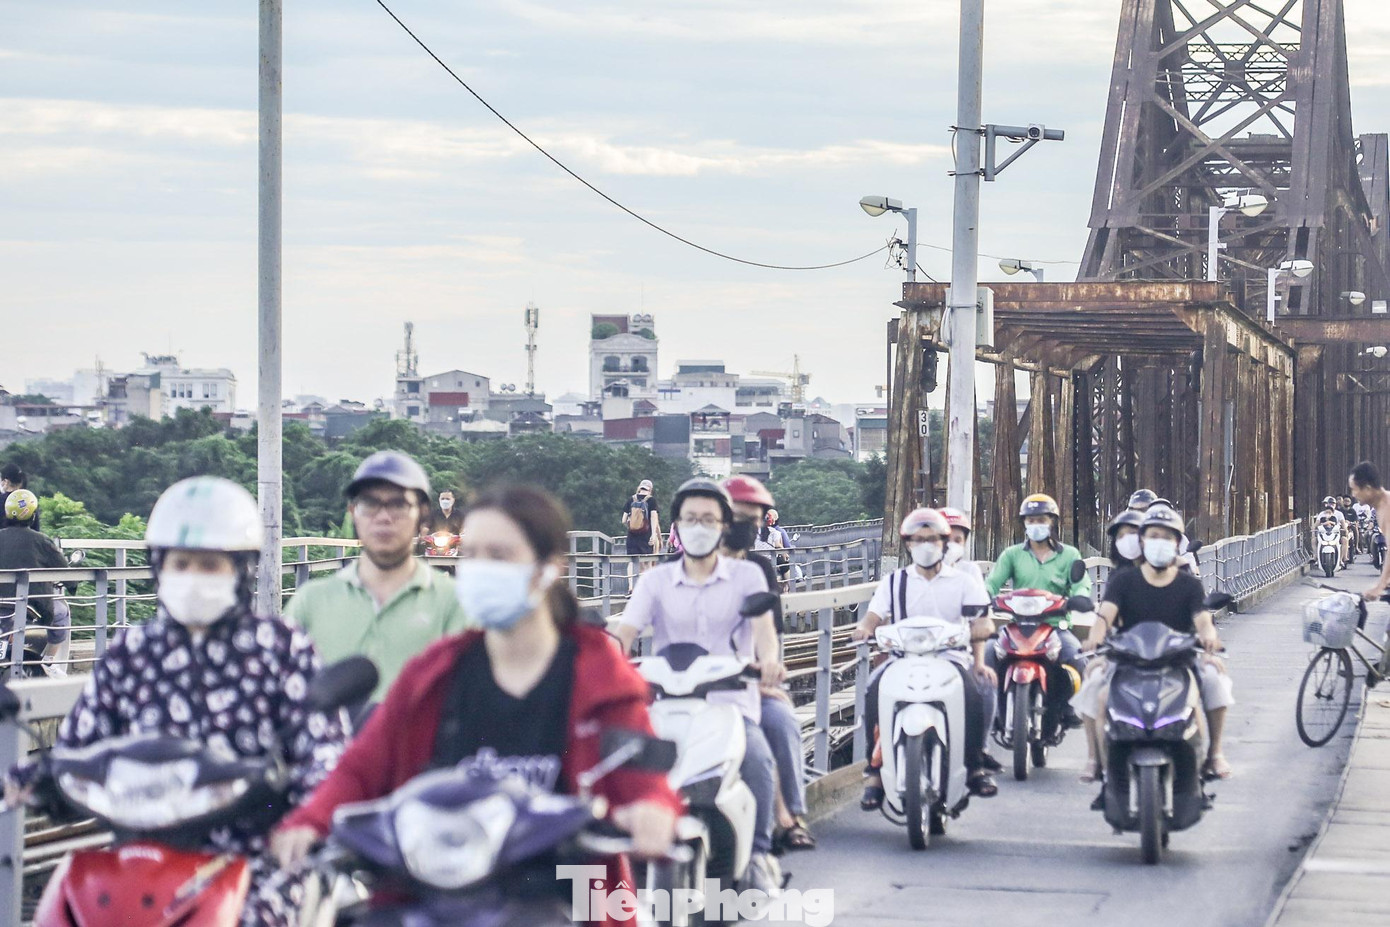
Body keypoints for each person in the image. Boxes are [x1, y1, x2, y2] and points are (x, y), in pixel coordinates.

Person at [272, 485, 681, 917]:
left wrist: (651, 809)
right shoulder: (434, 673)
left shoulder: (598, 672)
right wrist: (309, 822)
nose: (482, 569)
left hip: (561, 897)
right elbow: (363, 767)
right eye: (473, 555)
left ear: (548, 568)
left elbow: (640, 774)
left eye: (500, 555)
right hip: (428, 896)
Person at [6, 476, 347, 927]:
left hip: (252, 861)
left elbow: (326, 754)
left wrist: (305, 821)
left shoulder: (283, 649)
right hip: (139, 861)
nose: (193, 578)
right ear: (158, 566)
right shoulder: (131, 652)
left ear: (241, 569)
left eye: (210, 565)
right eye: (181, 563)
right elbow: (78, 748)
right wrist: (32, 778)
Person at [614, 478, 785, 893]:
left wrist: (769, 663)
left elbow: (765, 632)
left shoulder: (747, 576)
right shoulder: (656, 580)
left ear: (725, 525)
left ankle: (759, 855)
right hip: (666, 701)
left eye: (709, 519)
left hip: (729, 701)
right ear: (676, 524)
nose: (699, 526)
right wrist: (607, 655)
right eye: (690, 518)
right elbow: (625, 630)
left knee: (758, 761)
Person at [285, 451, 469, 701]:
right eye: (370, 504)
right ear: (353, 512)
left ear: (421, 514)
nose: (383, 517)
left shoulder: (455, 605)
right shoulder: (310, 602)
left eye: (398, 504)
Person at [852, 507, 999, 808]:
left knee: (973, 693)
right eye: (918, 540)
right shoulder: (894, 582)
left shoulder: (963, 581)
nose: (926, 545)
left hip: (951, 658)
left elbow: (981, 620)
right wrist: (863, 628)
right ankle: (874, 773)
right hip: (902, 658)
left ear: (945, 542)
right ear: (908, 544)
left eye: (932, 539)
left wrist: (980, 652)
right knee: (873, 691)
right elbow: (873, 616)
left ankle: (973, 766)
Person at [1077, 505, 1234, 782]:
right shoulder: (1123, 580)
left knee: (1213, 679)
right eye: (1153, 536)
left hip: (1179, 658)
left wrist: (1209, 638)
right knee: (1094, 684)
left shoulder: (1189, 585)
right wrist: (1095, 639)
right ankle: (1095, 759)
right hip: (1127, 658)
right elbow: (1105, 615)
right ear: (1143, 541)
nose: (1159, 542)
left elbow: (1202, 619)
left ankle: (1215, 753)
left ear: (1176, 543)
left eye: (1166, 537)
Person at [721, 475, 815, 853]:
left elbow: (768, 632)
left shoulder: (759, 569)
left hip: (746, 679)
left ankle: (790, 816)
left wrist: (769, 669)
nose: (748, 528)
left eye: (754, 521)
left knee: (780, 722)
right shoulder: (675, 572)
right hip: (691, 687)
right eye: (739, 518)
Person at [984, 493, 1090, 732]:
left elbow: (1081, 583)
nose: (1035, 525)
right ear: (1024, 523)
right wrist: (982, 596)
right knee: (988, 654)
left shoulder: (1070, 555)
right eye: (1030, 520)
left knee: (1077, 658)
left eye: (1041, 519)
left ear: (1052, 522)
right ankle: (991, 708)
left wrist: (1079, 596)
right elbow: (992, 582)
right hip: (1017, 626)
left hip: (1055, 625)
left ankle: (1071, 707)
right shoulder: (1012, 555)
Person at [0, 490, 71, 673]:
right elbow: (68, 574)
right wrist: (72, 584)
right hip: (31, 608)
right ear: (33, 516)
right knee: (62, 613)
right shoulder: (41, 541)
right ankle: (49, 664)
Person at [939, 506, 984, 582]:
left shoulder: (970, 571)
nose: (951, 545)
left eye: (957, 541)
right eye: (946, 540)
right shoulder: (917, 574)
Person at [620, 479, 661, 557]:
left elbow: (623, 520)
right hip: (646, 536)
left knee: (631, 562)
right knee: (647, 563)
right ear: (650, 489)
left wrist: (632, 526)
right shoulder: (651, 500)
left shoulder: (631, 499)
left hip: (632, 536)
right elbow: (653, 518)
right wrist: (653, 535)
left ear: (639, 488)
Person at [0, 463, 40, 532]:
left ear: (6, 481)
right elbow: (36, 528)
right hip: (27, 540)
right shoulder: (30, 500)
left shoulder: (1, 500)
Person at [1316, 495, 1349, 571]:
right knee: (1314, 540)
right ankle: (1316, 558)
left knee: (1344, 540)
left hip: (1336, 535)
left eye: (1333, 503)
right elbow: (1316, 525)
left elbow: (1343, 525)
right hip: (1323, 536)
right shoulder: (1321, 514)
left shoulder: (1339, 514)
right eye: (1329, 503)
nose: (1331, 505)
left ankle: (1341, 559)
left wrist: (1345, 531)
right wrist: (1313, 530)